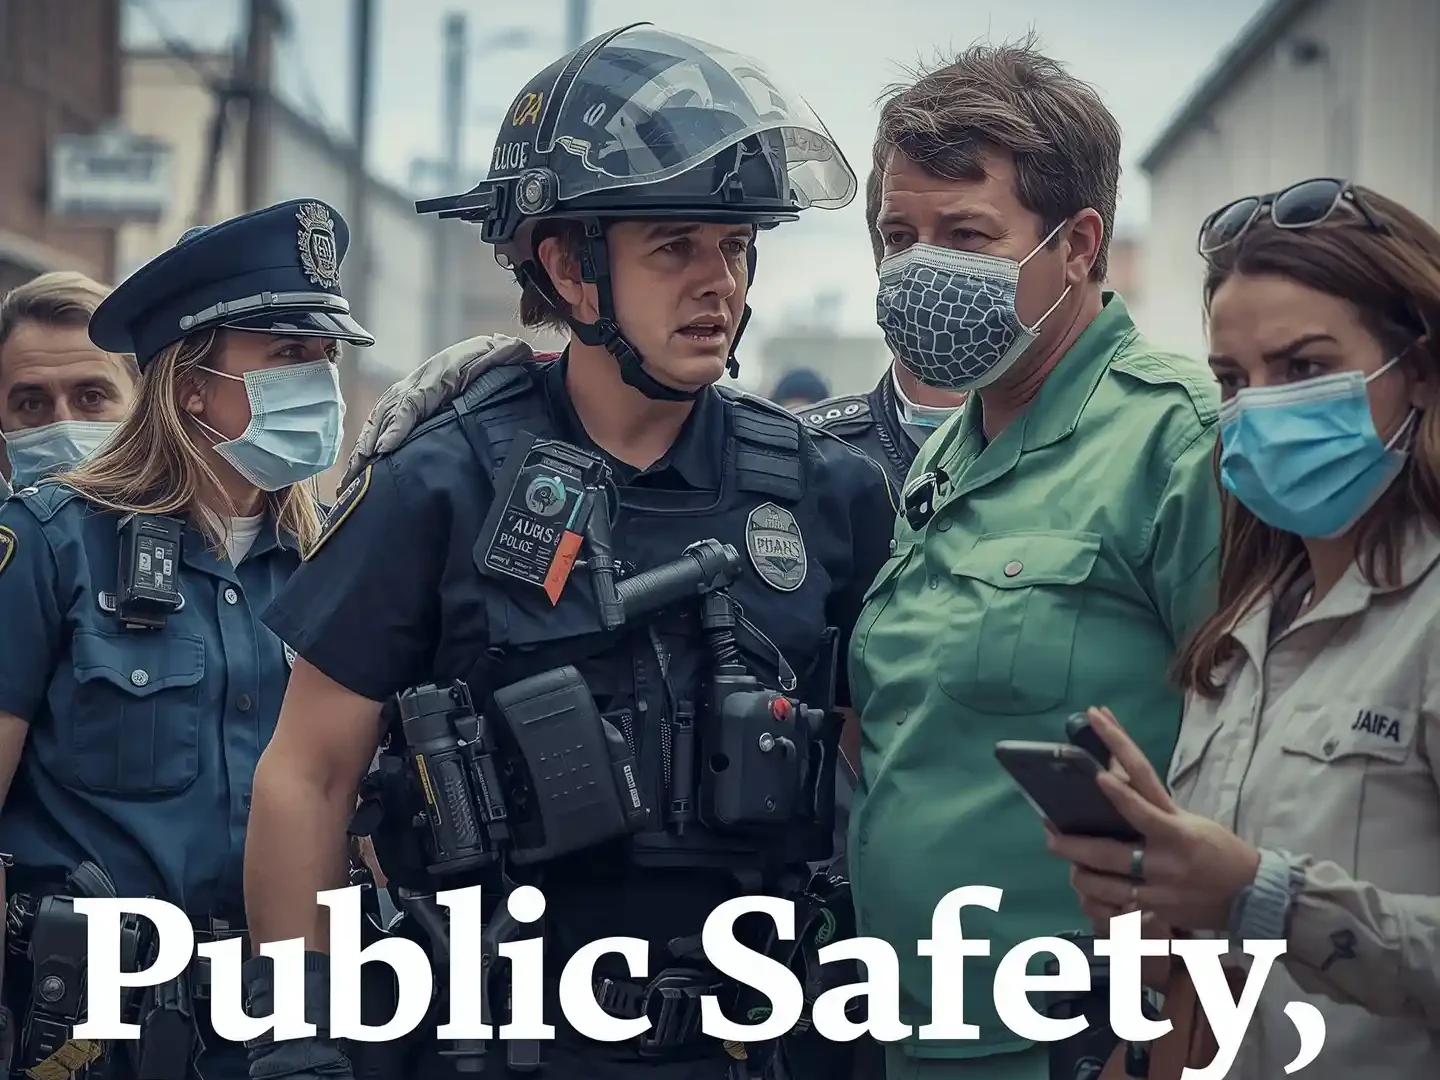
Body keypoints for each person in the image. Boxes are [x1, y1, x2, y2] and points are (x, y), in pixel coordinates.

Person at [241, 23, 895, 1080]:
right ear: (571, 269)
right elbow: (307, 774)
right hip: (501, 1049)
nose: (718, 283)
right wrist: (297, 1034)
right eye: (675, 246)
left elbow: (891, 769)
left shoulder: (828, 496)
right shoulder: (440, 484)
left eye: (735, 247)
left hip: (752, 1051)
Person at [846, 40, 1223, 1080]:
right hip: (914, 1034)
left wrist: (1167, 1040)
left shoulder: (1174, 441)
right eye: (897, 234)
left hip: (1077, 1043)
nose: (918, 268)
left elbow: (1251, 774)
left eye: (965, 234)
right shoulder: (956, 448)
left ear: (1078, 244)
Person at [1048, 179, 1440, 1079]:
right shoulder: (1245, 631)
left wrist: (1259, 894)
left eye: (1303, 369)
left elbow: (1270, 902)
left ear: (1416, 369)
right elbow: (1222, 974)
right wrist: (1165, 921)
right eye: (1232, 379)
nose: (1259, 408)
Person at [0, 199, 374, 1080]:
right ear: (191, 386)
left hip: (280, 1031)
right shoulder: (51, 546)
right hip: (90, 1039)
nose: (316, 381)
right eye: (286, 355)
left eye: (325, 356)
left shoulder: (337, 566)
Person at [801, 167, 969, 491]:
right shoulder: (807, 457)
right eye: (899, 238)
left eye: (964, 234)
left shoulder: (1089, 459)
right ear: (880, 260)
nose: (929, 269)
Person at [0, 270, 132, 497]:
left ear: (145, 402)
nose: (64, 427)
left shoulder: (205, 525)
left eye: (92, 397)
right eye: (33, 404)